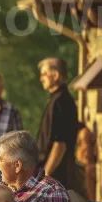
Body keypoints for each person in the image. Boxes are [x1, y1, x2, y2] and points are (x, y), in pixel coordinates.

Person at [37, 57, 79, 190]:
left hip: (57, 178)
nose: (41, 79)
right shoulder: (58, 100)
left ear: (55, 75)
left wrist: (45, 177)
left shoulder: (61, 102)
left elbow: (60, 144)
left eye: (44, 74)